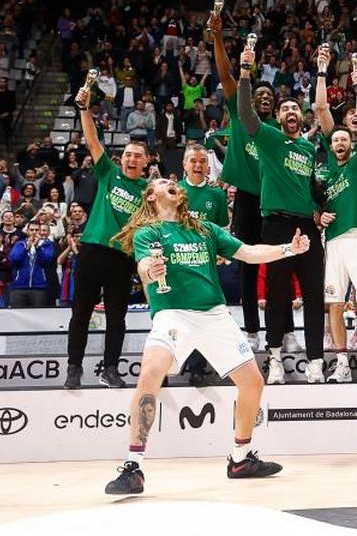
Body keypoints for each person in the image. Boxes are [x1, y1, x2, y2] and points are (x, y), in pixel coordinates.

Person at [103, 177, 304, 495]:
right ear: (151, 197)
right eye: (161, 182)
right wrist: (148, 272)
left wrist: (287, 249)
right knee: (150, 374)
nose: (170, 182)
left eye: (172, 182)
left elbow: (248, 253)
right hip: (173, 314)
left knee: (253, 382)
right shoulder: (149, 232)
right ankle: (133, 467)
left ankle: (240, 460)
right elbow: (143, 265)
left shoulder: (204, 228)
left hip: (214, 315)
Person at [237, 41, 325, 384]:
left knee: (314, 294)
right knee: (276, 295)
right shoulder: (269, 139)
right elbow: (245, 114)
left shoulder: (307, 147)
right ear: (278, 117)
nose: (290, 112)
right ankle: (274, 359)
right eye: (285, 108)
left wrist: (321, 208)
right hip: (274, 226)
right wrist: (246, 73)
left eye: (295, 109)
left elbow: (310, 187)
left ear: (301, 118)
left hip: (306, 227)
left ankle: (316, 360)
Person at [65, 83, 149, 390]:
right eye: (127, 154)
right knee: (81, 314)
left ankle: (110, 369)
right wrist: (84, 109)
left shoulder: (149, 193)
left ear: (145, 162)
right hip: (92, 251)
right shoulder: (108, 172)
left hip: (122, 259)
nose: (130, 159)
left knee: (117, 319)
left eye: (137, 156)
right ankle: (73, 368)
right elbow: (91, 139)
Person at [313, 51, 357, 383]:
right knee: (334, 307)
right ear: (331, 145)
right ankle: (340, 363)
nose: (340, 142)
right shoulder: (326, 171)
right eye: (336, 139)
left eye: (345, 139)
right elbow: (321, 110)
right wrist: (322, 71)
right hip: (333, 243)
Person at [210, 6, 273, 353]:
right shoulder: (238, 113)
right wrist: (218, 36)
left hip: (274, 202)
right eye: (259, 94)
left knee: (279, 266)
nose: (263, 98)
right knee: (248, 267)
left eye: (269, 97)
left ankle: (281, 331)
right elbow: (224, 74)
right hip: (248, 200)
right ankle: (251, 331)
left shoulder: (277, 132)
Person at [178, 142, 232, 385]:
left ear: (208, 166)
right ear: (184, 165)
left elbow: (223, 230)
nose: (198, 165)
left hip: (206, 269)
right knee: (176, 317)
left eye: (202, 162)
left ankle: (197, 368)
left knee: (201, 317)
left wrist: (222, 254)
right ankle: (171, 365)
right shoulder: (173, 192)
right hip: (178, 265)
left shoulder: (217, 195)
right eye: (193, 161)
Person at [9, 224, 56, 308]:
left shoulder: (46, 245)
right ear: (27, 231)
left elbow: (47, 260)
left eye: (36, 230)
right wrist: (27, 247)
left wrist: (37, 247)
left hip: (39, 287)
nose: (34, 232)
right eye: (31, 230)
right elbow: (14, 259)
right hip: (19, 287)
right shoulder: (20, 244)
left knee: (38, 316)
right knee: (17, 317)